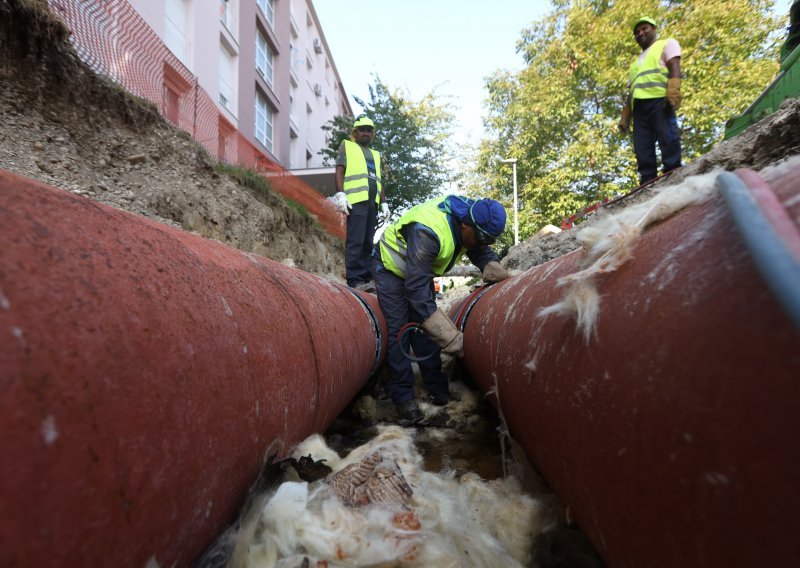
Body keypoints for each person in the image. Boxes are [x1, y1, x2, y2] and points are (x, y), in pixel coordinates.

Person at [373, 195, 511, 423]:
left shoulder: (471, 223)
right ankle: (403, 398)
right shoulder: (429, 231)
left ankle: (438, 391)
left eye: (491, 240)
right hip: (390, 268)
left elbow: (479, 248)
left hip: (418, 270)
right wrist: (451, 339)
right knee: (400, 330)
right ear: (465, 223)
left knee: (425, 333)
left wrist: (491, 264)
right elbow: (416, 291)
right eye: (483, 238)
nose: (483, 243)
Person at [618, 16, 682, 185]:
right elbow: (632, 92)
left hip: (659, 100)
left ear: (653, 29)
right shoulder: (634, 64)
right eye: (637, 32)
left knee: (667, 137)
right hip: (639, 108)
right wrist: (625, 115)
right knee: (642, 147)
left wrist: (674, 90)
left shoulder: (666, 44)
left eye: (644, 28)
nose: (641, 33)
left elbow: (674, 65)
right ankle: (647, 181)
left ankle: (673, 171)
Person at [332, 116, 389, 291]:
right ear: (355, 132)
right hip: (356, 201)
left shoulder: (376, 155)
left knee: (367, 242)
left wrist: (384, 203)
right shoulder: (347, 146)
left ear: (372, 133)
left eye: (369, 130)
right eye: (362, 129)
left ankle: (366, 278)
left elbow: (378, 181)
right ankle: (355, 279)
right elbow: (339, 171)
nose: (366, 132)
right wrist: (341, 194)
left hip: (372, 204)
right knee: (355, 241)